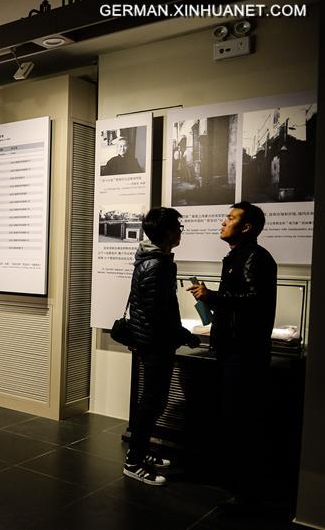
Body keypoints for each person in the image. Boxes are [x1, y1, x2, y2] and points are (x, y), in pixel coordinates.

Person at [187, 201, 277, 504]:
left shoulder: (254, 257)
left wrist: (213, 295)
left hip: (244, 352)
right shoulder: (240, 256)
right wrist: (212, 298)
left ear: (247, 227)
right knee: (234, 416)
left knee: (243, 419)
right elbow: (240, 300)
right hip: (235, 349)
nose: (223, 222)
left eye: (230, 218)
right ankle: (237, 484)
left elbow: (253, 299)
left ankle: (246, 492)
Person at [124, 207, 200, 486]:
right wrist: (183, 334)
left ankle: (142, 451)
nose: (181, 232)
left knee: (153, 402)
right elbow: (159, 313)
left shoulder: (157, 259)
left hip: (154, 340)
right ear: (168, 232)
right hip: (155, 343)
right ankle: (134, 461)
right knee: (152, 403)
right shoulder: (157, 264)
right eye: (179, 228)